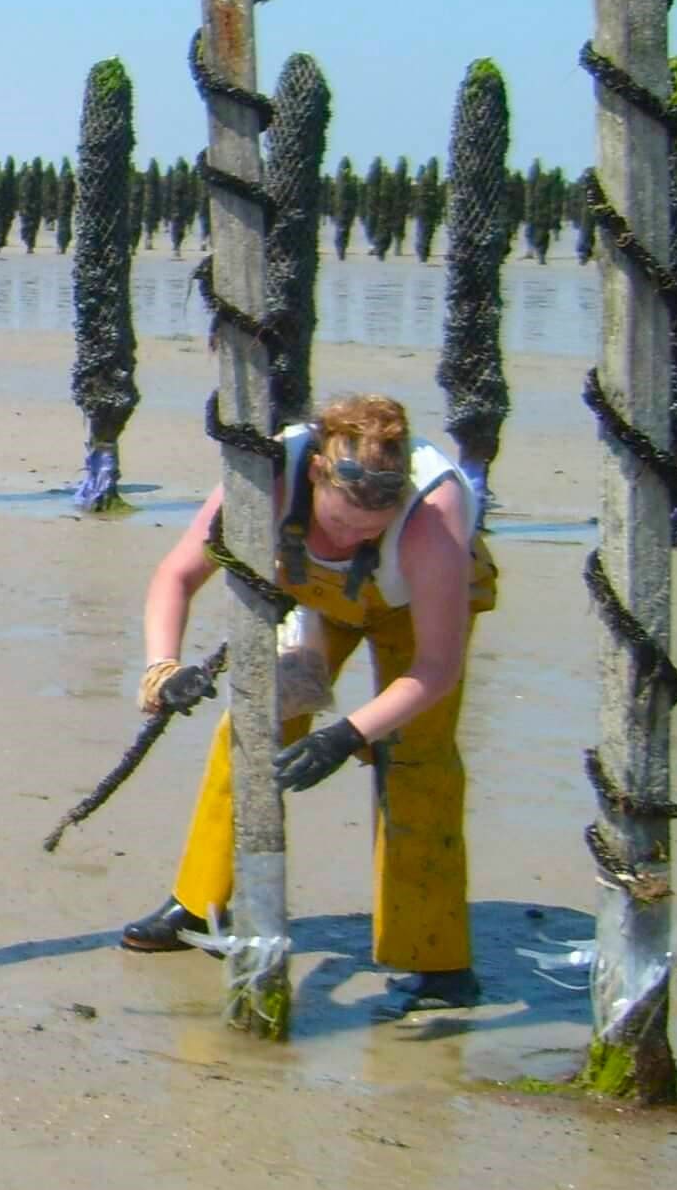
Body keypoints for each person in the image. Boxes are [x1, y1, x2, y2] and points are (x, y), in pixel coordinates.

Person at [119, 393, 497, 1010]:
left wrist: (348, 733)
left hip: (414, 613)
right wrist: (163, 666)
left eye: (368, 531)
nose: (350, 538)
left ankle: (438, 959)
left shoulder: (434, 517)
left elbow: (438, 667)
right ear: (317, 472)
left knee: (415, 759)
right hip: (314, 599)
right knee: (251, 727)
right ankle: (198, 904)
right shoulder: (268, 474)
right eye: (340, 523)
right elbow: (177, 575)